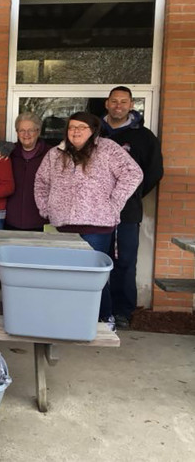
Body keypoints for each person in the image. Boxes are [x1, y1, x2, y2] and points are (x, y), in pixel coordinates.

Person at [34, 111, 143, 328]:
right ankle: (70, 316)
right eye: (72, 127)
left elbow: (134, 173)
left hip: (97, 224)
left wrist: (115, 202)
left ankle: (103, 317)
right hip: (62, 224)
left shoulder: (108, 149)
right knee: (65, 273)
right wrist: (45, 208)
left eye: (81, 127)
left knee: (94, 274)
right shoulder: (56, 153)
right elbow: (41, 181)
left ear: (92, 130)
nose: (75, 131)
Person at [101, 86, 164, 329]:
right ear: (107, 103)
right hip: (94, 212)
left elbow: (154, 172)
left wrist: (132, 195)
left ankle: (122, 311)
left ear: (130, 105)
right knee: (96, 260)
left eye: (123, 101)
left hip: (127, 212)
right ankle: (98, 309)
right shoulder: (93, 133)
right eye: (114, 101)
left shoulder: (144, 137)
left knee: (125, 260)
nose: (118, 105)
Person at [5, 112, 51, 231]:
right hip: (11, 220)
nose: (26, 134)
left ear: (38, 131)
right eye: (22, 130)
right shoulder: (9, 153)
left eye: (31, 130)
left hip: (40, 220)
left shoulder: (51, 154)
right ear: (17, 132)